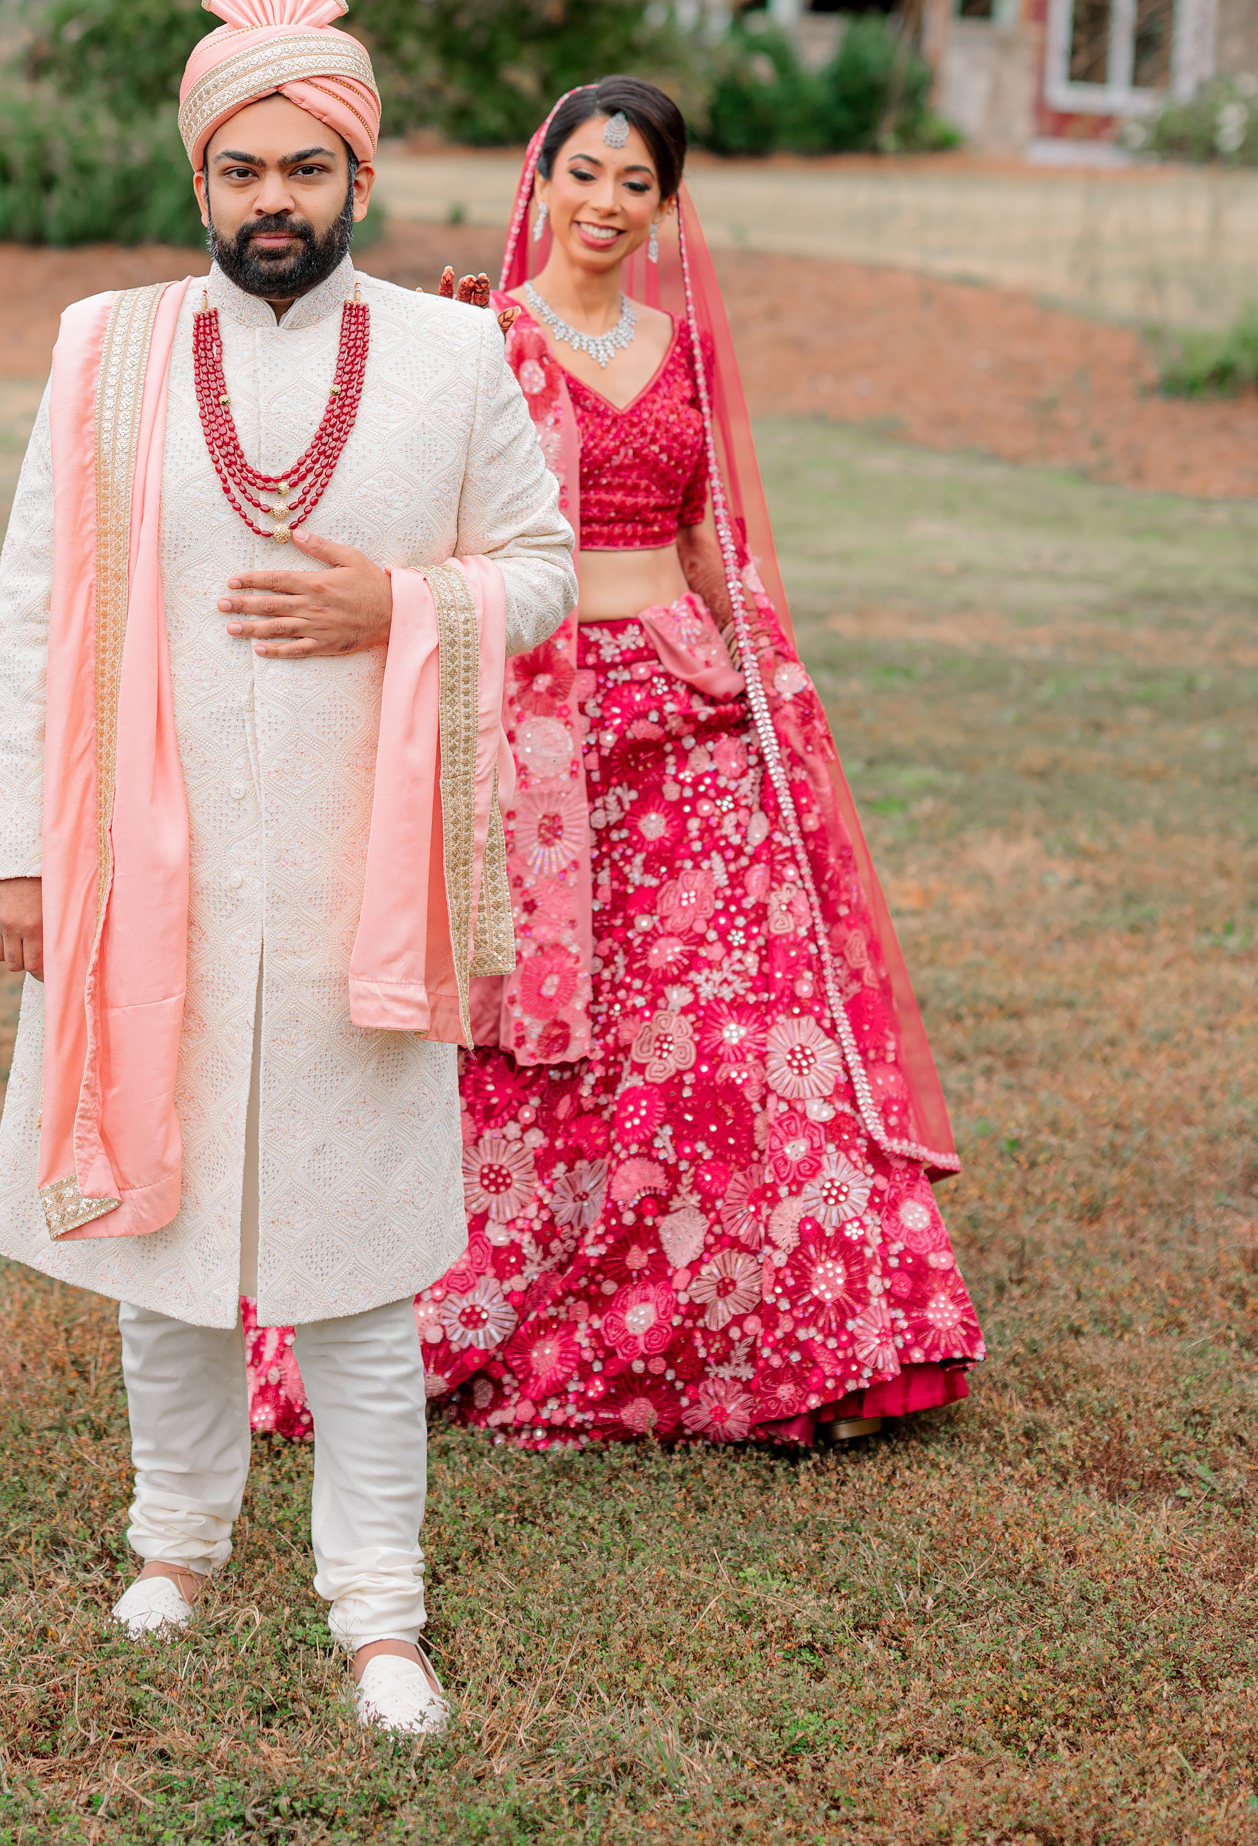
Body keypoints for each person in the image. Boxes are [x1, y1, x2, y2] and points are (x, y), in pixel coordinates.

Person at [0, 0, 576, 1733]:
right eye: (242, 168)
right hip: (139, 874)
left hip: (351, 881)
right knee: (155, 1233)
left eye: (306, 167)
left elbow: (535, 567)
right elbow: (33, 607)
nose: (273, 202)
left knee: (355, 1264)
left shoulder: (456, 358)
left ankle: (376, 1606)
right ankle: (177, 1545)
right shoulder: (109, 350)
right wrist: (19, 855)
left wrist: (397, 605)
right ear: (198, 179)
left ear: (357, 176)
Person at [247, 76, 983, 1453]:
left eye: (634, 183)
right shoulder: (477, 340)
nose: (605, 203)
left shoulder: (681, 350)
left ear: (664, 205)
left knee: (741, 1027)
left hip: (688, 707)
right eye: (584, 172)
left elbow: (714, 540)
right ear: (543, 180)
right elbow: (422, 518)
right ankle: (498, 1305)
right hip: (535, 722)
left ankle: (797, 1329)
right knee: (536, 1034)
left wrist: (766, 676)